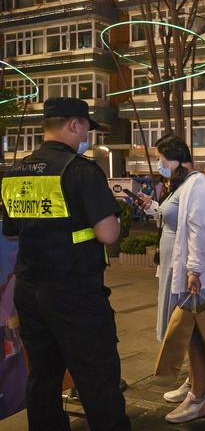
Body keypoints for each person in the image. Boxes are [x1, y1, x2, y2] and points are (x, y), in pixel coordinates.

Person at [1, 97, 130, 430]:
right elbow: (107, 233)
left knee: (43, 375)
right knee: (97, 377)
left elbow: (12, 229)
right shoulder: (81, 170)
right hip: (75, 292)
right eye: (86, 126)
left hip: (29, 290)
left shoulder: (15, 172)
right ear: (75, 124)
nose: (87, 134)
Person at [139, 135, 205, 424]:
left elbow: (198, 228)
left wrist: (194, 270)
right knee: (185, 330)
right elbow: (172, 218)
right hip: (178, 269)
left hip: (190, 272)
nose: (160, 164)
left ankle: (199, 398)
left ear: (174, 158)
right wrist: (152, 207)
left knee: (195, 332)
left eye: (161, 159)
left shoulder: (197, 184)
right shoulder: (182, 184)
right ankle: (193, 383)